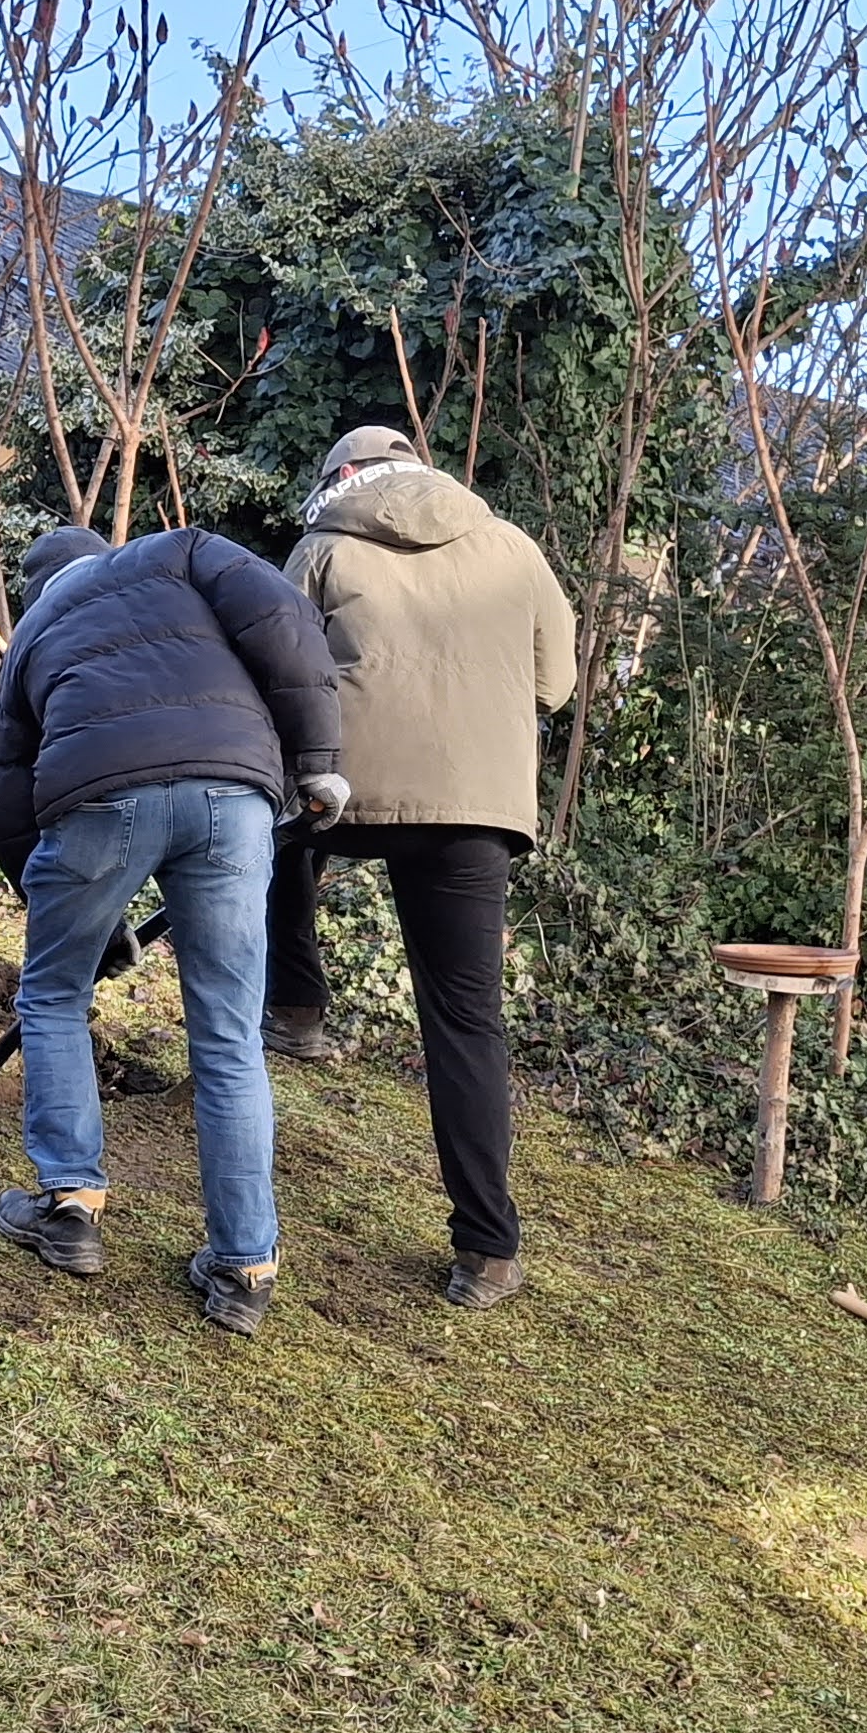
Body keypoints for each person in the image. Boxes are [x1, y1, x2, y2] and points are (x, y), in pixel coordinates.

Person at [0, 523, 347, 1334]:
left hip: (97, 802)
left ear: (40, 589)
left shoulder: (33, 631)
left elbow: (6, 791)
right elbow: (279, 617)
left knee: (53, 997)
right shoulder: (180, 553)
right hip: (234, 799)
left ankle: (69, 1207)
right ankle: (245, 1264)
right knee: (228, 1035)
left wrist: (75, 920)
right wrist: (318, 758)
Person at [268, 426, 576, 1309]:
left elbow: (281, 674)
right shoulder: (513, 547)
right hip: (476, 808)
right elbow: (552, 687)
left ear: (341, 478)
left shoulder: (322, 546)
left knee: (276, 845)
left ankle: (296, 1009)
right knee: (465, 1021)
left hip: (345, 791)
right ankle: (486, 1250)